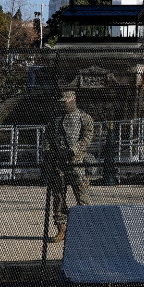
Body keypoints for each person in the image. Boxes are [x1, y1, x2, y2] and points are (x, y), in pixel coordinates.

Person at [43, 90, 94, 242]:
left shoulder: (84, 118)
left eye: (66, 100)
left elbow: (87, 137)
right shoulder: (56, 119)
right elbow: (48, 137)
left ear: (73, 99)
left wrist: (73, 150)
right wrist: (48, 153)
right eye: (62, 101)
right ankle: (62, 229)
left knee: (82, 197)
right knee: (58, 198)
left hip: (76, 163)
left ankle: (86, 230)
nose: (63, 103)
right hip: (59, 164)